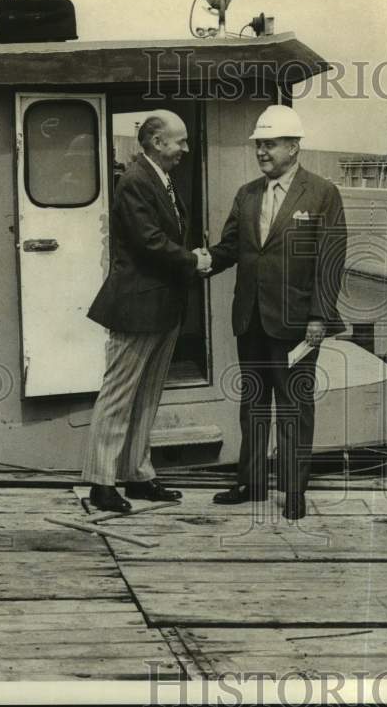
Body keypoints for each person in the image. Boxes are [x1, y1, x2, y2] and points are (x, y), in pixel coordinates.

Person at [203, 105, 347, 521]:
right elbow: (230, 248)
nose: (262, 152)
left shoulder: (322, 193)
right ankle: (250, 482)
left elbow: (331, 260)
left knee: (294, 406)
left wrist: (320, 316)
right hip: (250, 317)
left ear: (294, 147)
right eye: (258, 145)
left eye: (269, 144)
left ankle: (294, 489)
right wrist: (196, 262)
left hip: (298, 323)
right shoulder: (247, 194)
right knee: (252, 403)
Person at [81, 110, 210, 512]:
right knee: (119, 395)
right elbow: (150, 242)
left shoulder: (158, 177)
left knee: (148, 396)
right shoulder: (135, 181)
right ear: (157, 142)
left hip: (162, 306)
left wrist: (190, 261)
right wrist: (193, 261)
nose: (185, 149)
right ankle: (101, 483)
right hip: (137, 306)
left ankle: (138, 475)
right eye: (180, 141)